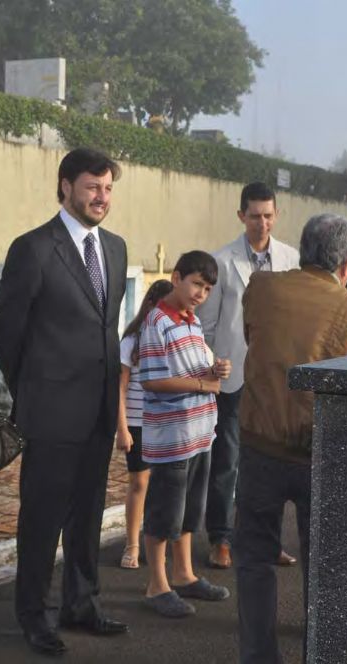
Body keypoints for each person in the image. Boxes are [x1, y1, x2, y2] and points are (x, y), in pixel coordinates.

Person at [0, 147, 129, 657]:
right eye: (93, 187)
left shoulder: (114, 247)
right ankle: (33, 614)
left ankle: (81, 603)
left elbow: (105, 328)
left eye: (109, 188)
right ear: (66, 186)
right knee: (42, 519)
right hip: (50, 412)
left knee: (88, 514)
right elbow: (6, 330)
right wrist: (32, 389)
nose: (102, 197)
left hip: (96, 410)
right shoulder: (33, 248)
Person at [236, 213, 347, 663]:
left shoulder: (261, 289)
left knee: (254, 561)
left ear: (303, 250)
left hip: (259, 444)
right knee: (322, 571)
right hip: (321, 453)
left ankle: (258, 657)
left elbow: (251, 338)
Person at [198, 181, 299, 570]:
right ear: (241, 216)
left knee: (272, 464)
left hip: (277, 380)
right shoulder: (221, 262)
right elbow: (207, 326)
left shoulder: (291, 259)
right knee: (228, 460)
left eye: (269, 215)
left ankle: (266, 540)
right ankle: (221, 538)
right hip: (234, 376)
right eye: (255, 216)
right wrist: (213, 365)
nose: (262, 223)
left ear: (276, 215)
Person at [137, 250, 232, 618]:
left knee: (191, 510)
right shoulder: (157, 321)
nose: (200, 294)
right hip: (173, 437)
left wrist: (215, 368)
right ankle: (156, 585)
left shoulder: (191, 322)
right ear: (176, 278)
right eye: (196, 284)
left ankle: (185, 574)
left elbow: (198, 370)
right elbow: (153, 379)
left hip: (199, 433)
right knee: (164, 512)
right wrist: (202, 384)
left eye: (207, 289)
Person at [116, 279, 174, 569]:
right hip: (138, 423)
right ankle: (132, 544)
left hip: (166, 423)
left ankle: (158, 544)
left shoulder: (173, 337)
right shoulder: (131, 341)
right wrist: (122, 428)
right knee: (139, 482)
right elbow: (121, 388)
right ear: (150, 305)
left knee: (165, 486)